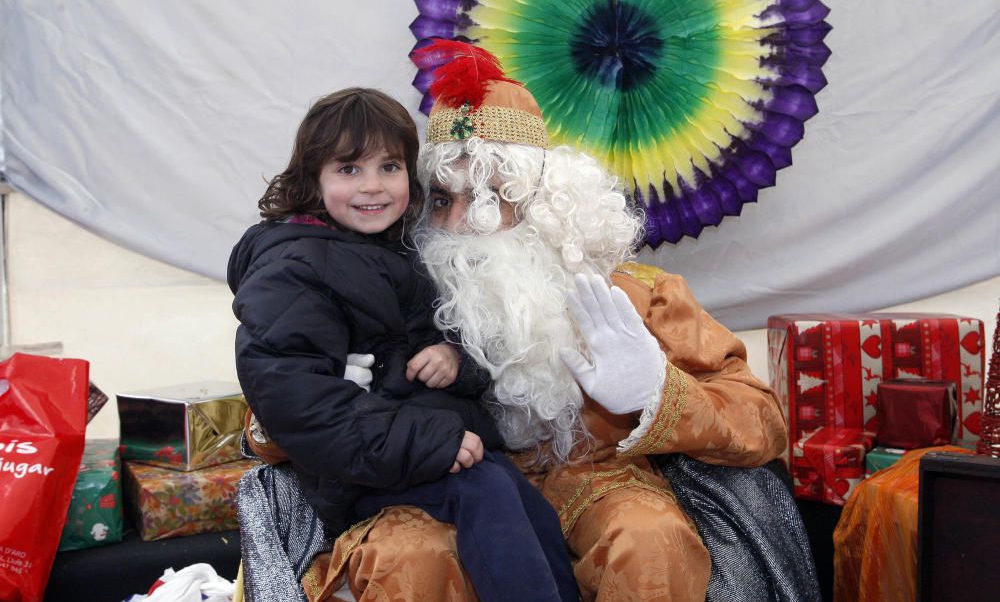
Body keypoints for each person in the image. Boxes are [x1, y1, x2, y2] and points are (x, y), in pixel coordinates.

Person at [297, 42, 790, 601]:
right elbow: (282, 410)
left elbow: (763, 423)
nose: (458, 223)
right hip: (440, 482)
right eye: (440, 199)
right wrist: (331, 391)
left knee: (651, 542)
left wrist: (657, 393)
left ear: (545, 200)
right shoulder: (384, 289)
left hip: (596, 477)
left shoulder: (636, 291)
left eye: (487, 196)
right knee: (407, 557)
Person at [228, 87, 580, 602]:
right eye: (349, 169)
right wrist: (429, 441)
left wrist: (453, 360)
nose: (373, 187)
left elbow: (424, 343)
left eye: (389, 167)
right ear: (313, 178)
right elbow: (298, 402)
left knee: (526, 506)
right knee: (490, 497)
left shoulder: (387, 250)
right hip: (358, 467)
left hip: (408, 445)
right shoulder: (293, 267)